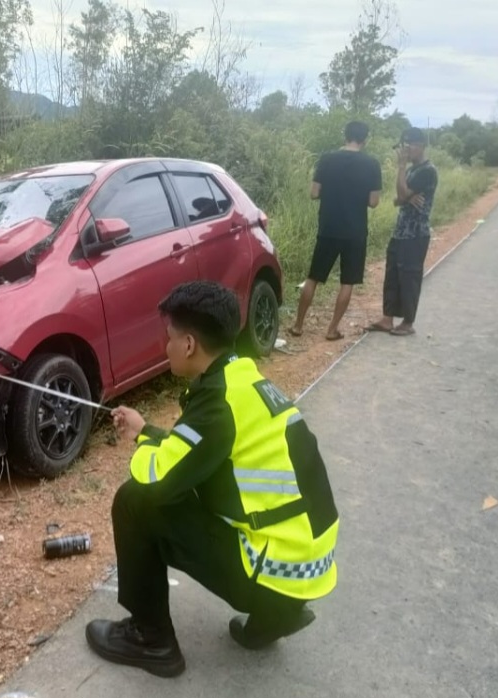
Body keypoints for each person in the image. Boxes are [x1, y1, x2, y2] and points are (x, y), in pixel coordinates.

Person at [86, 281, 340, 678]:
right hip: (306, 565)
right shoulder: (246, 382)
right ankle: (276, 615)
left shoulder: (218, 404)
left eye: (169, 338)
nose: (164, 346)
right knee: (178, 490)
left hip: (270, 572)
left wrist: (141, 448)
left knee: (134, 501)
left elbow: (157, 480)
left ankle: (151, 639)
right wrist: (146, 431)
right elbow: (200, 450)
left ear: (188, 344)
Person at [290, 120, 382, 341]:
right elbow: (373, 202)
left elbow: (314, 193)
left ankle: (298, 326)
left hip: (329, 227)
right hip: (355, 231)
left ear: (345, 135)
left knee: (313, 277)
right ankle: (332, 329)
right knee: (347, 281)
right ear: (365, 139)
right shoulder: (372, 164)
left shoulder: (327, 159)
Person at [367, 127, 439, 337]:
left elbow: (401, 192)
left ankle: (408, 322)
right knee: (392, 275)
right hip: (400, 232)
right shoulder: (411, 170)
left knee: (410, 277)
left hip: (416, 233)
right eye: (404, 147)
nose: (406, 151)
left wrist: (401, 171)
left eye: (410, 146)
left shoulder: (427, 171)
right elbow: (397, 199)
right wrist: (406, 196)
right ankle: (387, 318)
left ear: (421, 146)